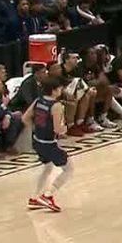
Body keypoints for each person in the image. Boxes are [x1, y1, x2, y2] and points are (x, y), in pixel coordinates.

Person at [25, 77, 73, 212]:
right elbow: (57, 129)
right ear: (54, 90)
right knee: (69, 169)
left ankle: (34, 198)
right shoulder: (56, 106)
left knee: (47, 167)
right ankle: (48, 195)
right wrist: (66, 128)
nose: (61, 90)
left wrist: (37, 129)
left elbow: (25, 118)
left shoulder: (38, 101)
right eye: (59, 88)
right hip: (49, 143)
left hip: (37, 140)